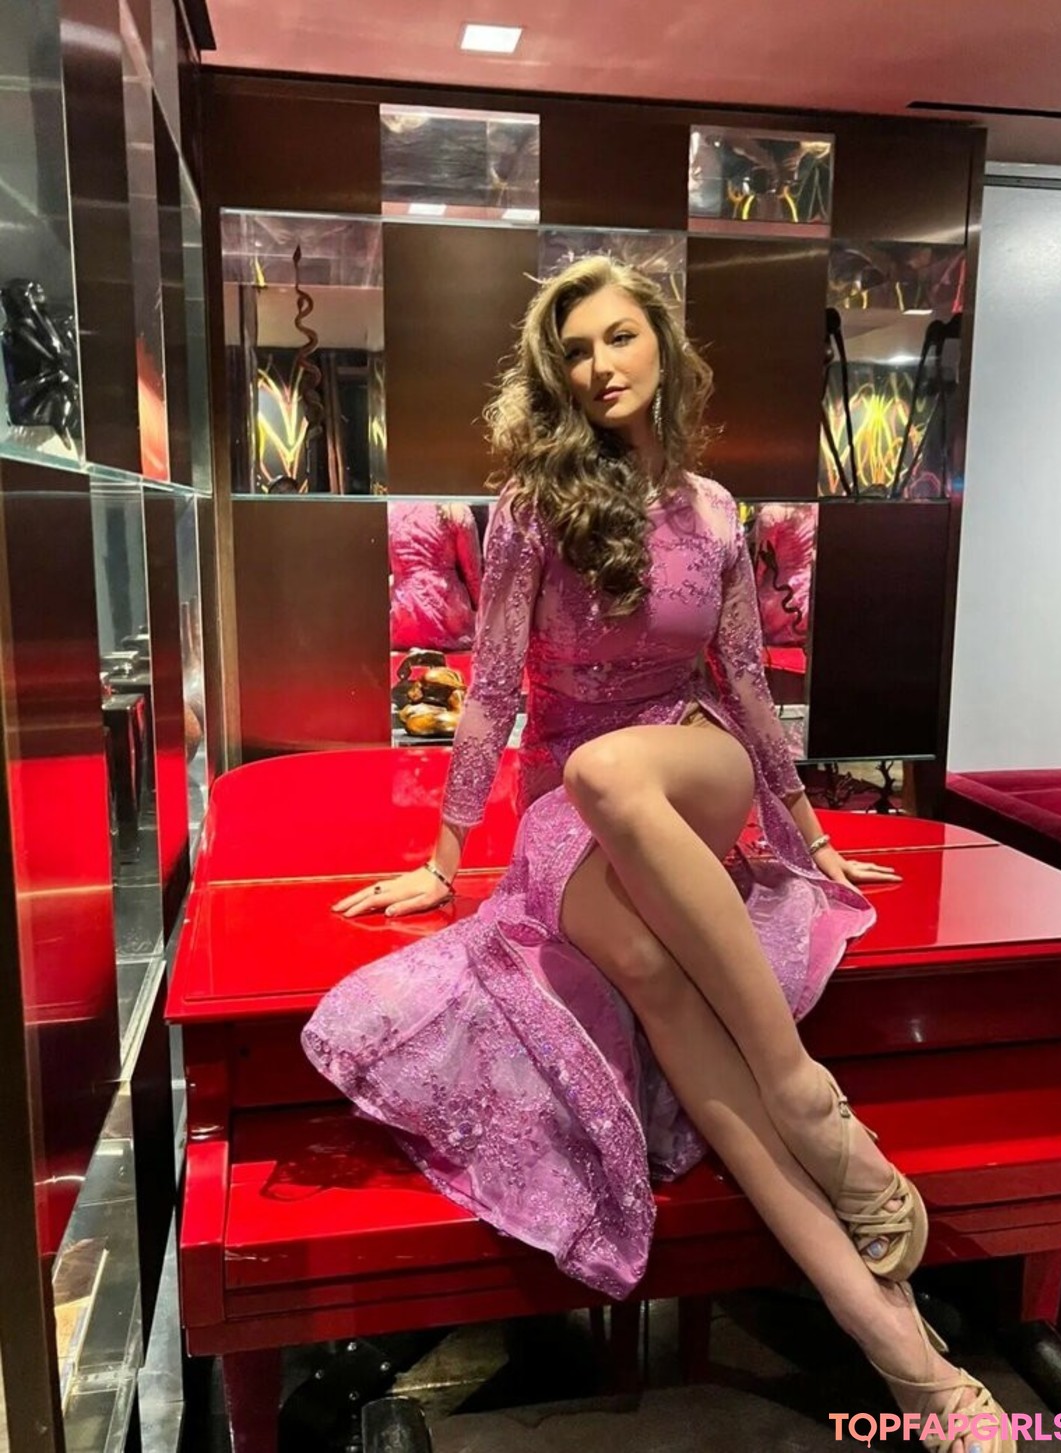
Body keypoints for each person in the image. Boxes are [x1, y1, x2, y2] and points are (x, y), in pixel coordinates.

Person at [304, 258, 1013, 1453]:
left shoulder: (719, 513)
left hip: (694, 765)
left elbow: (746, 686)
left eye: (619, 337)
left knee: (616, 770)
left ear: (664, 347)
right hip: (570, 805)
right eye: (576, 350)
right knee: (646, 963)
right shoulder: (532, 509)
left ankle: (805, 1093)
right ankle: (919, 1372)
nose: (600, 365)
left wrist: (812, 837)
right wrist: (446, 855)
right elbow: (490, 688)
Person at [388, 499, 483, 651]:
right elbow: (472, 574)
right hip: (447, 616)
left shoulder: (391, 510)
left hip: (404, 615)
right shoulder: (455, 509)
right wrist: (483, 613)